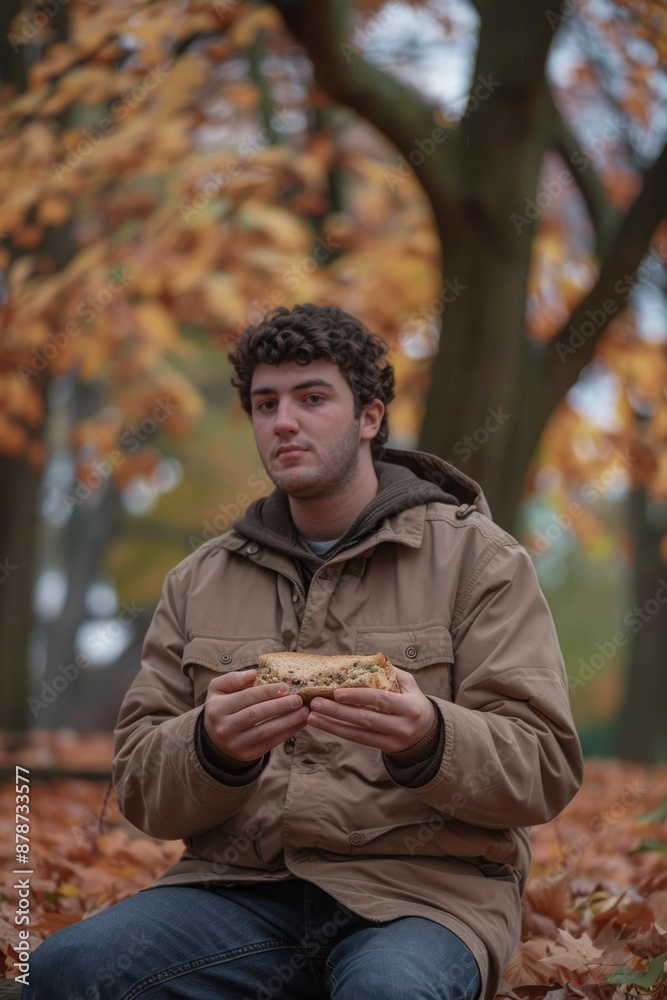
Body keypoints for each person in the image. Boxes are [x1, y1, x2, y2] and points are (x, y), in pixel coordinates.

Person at [24, 303, 584, 1000]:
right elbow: (139, 788)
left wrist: (429, 738)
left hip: (425, 898)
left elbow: (544, 766)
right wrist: (210, 749)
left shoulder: (481, 560)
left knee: (384, 994)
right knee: (65, 970)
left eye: (312, 398)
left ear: (369, 417)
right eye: (266, 404)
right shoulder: (198, 580)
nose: (283, 421)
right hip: (236, 891)